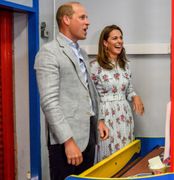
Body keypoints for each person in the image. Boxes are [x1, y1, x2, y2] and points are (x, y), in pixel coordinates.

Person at [34, 2, 108, 180]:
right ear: (66, 20)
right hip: (67, 140)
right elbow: (49, 103)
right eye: (82, 17)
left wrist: (99, 119)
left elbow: (88, 89)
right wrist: (68, 141)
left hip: (88, 134)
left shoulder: (81, 52)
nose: (88, 22)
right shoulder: (49, 53)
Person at [90, 25, 144, 162]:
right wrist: (98, 120)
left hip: (124, 115)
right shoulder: (94, 66)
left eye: (121, 38)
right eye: (115, 38)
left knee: (125, 155)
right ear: (105, 43)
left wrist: (135, 96)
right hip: (105, 116)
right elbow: (90, 96)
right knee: (107, 156)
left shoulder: (125, 65)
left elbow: (129, 88)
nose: (119, 41)